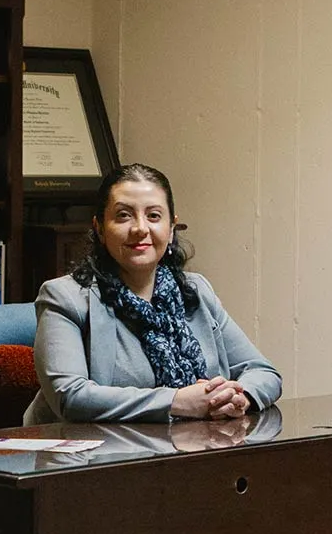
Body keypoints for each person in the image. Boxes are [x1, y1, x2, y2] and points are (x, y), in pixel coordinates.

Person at [26, 163, 284, 424]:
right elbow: (71, 397)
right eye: (124, 215)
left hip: (194, 450)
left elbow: (262, 372)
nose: (140, 228)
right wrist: (177, 401)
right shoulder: (64, 297)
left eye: (154, 216)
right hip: (92, 458)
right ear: (100, 228)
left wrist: (240, 397)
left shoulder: (196, 292)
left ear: (171, 228)